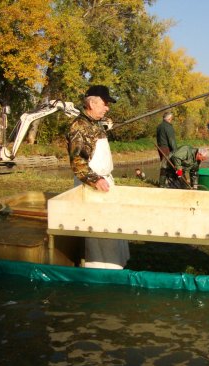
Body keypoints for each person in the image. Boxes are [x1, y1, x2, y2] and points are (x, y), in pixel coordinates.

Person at [67, 85, 130, 269]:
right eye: (105, 103)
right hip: (92, 187)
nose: (107, 107)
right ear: (92, 103)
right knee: (98, 232)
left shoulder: (94, 124)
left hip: (104, 183)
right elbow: (77, 162)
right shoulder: (79, 126)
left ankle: (115, 265)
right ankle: (100, 270)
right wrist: (95, 180)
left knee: (112, 227)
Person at [157, 111, 178, 187]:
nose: (171, 120)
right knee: (167, 165)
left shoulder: (159, 126)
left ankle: (166, 182)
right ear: (169, 118)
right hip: (166, 148)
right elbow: (171, 140)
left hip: (160, 147)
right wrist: (176, 151)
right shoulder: (168, 127)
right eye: (171, 118)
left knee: (165, 164)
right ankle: (162, 184)